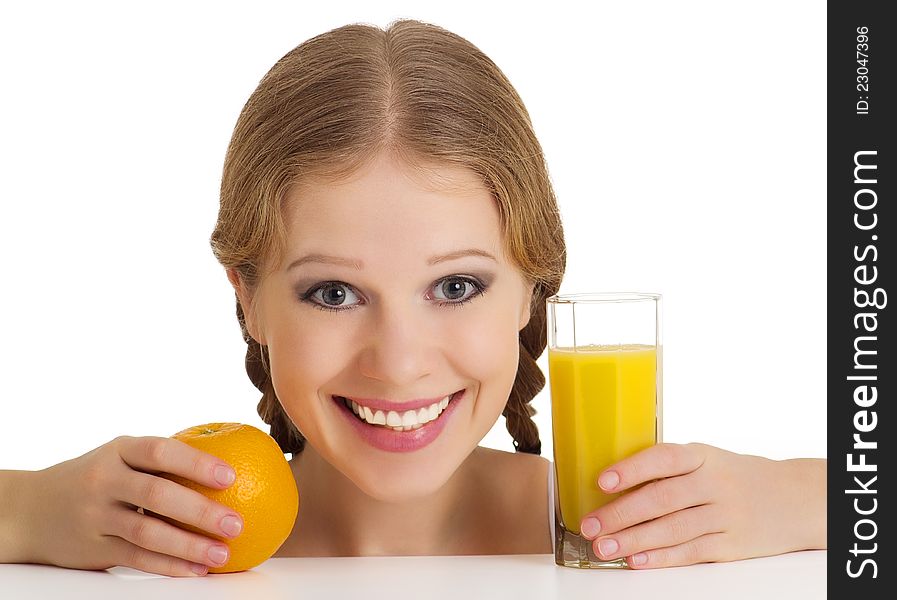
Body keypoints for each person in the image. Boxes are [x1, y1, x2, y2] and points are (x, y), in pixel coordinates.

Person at [0, 19, 826, 577]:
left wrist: (808, 495)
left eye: (455, 286)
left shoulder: (620, 532)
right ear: (246, 300)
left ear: (533, 291)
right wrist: (20, 510)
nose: (397, 362)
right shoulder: (168, 537)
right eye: (332, 292)